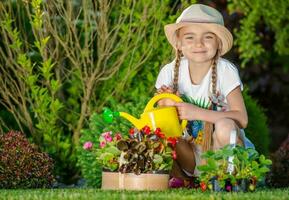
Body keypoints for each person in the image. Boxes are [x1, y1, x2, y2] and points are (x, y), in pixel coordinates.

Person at [154, 4, 255, 188]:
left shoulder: (225, 71)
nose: (198, 44)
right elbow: (161, 122)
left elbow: (242, 119)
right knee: (160, 129)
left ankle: (230, 180)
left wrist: (197, 112)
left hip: (220, 151)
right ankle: (181, 180)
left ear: (218, 43)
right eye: (189, 37)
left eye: (207, 37)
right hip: (189, 156)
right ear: (179, 43)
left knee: (225, 126)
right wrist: (169, 104)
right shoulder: (169, 72)